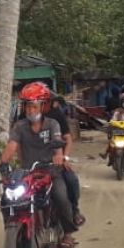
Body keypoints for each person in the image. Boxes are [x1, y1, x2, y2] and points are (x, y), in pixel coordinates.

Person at [0, 82, 79, 248]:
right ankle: (13, 229)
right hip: (27, 173)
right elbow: (11, 146)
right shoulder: (19, 126)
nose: (30, 110)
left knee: (61, 196)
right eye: (27, 107)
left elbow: (58, 143)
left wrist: (59, 156)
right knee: (7, 199)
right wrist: (1, 161)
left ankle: (68, 233)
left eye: (34, 106)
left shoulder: (52, 124)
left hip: (51, 172)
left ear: (43, 106)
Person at [42, 89, 85, 227]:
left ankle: (74, 211)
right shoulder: (24, 117)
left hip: (54, 160)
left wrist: (64, 157)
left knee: (70, 180)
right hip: (33, 162)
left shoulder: (56, 116)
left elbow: (67, 138)